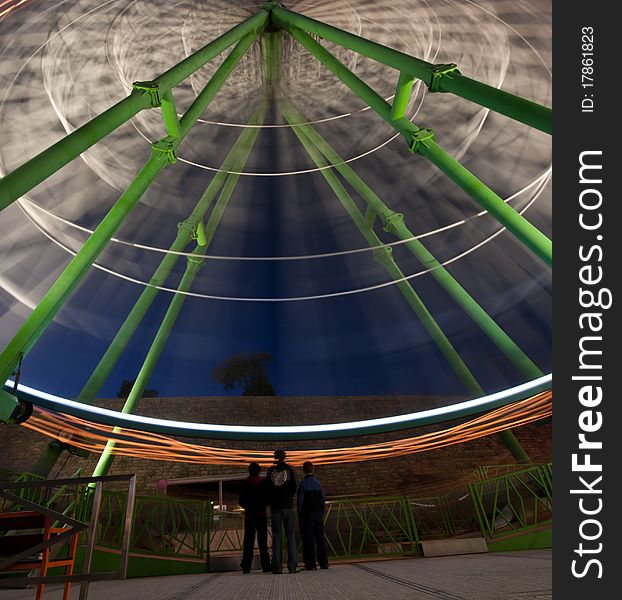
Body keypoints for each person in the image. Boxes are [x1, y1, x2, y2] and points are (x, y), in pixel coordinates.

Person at [266, 449, 297, 574]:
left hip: (275, 507)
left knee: (277, 536)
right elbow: (294, 486)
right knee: (290, 536)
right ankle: (292, 566)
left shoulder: (270, 471)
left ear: (275, 457)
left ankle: (277, 566)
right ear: (284, 457)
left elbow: (267, 487)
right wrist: (288, 497)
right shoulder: (289, 469)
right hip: (287, 506)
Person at [238, 462, 271, 573]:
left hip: (250, 516)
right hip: (261, 515)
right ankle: (266, 565)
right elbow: (267, 498)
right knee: (263, 541)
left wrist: (248, 507)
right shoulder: (264, 483)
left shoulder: (245, 484)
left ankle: (246, 566)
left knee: (248, 541)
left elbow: (241, 501)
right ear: (259, 471)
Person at [297, 461, 329, 570]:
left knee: (309, 539)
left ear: (303, 471)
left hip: (307, 514)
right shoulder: (318, 483)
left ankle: (310, 564)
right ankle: (324, 563)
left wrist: (300, 515)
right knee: (320, 538)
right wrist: (322, 512)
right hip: (318, 514)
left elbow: (300, 502)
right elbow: (322, 499)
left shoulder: (302, 484)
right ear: (313, 469)